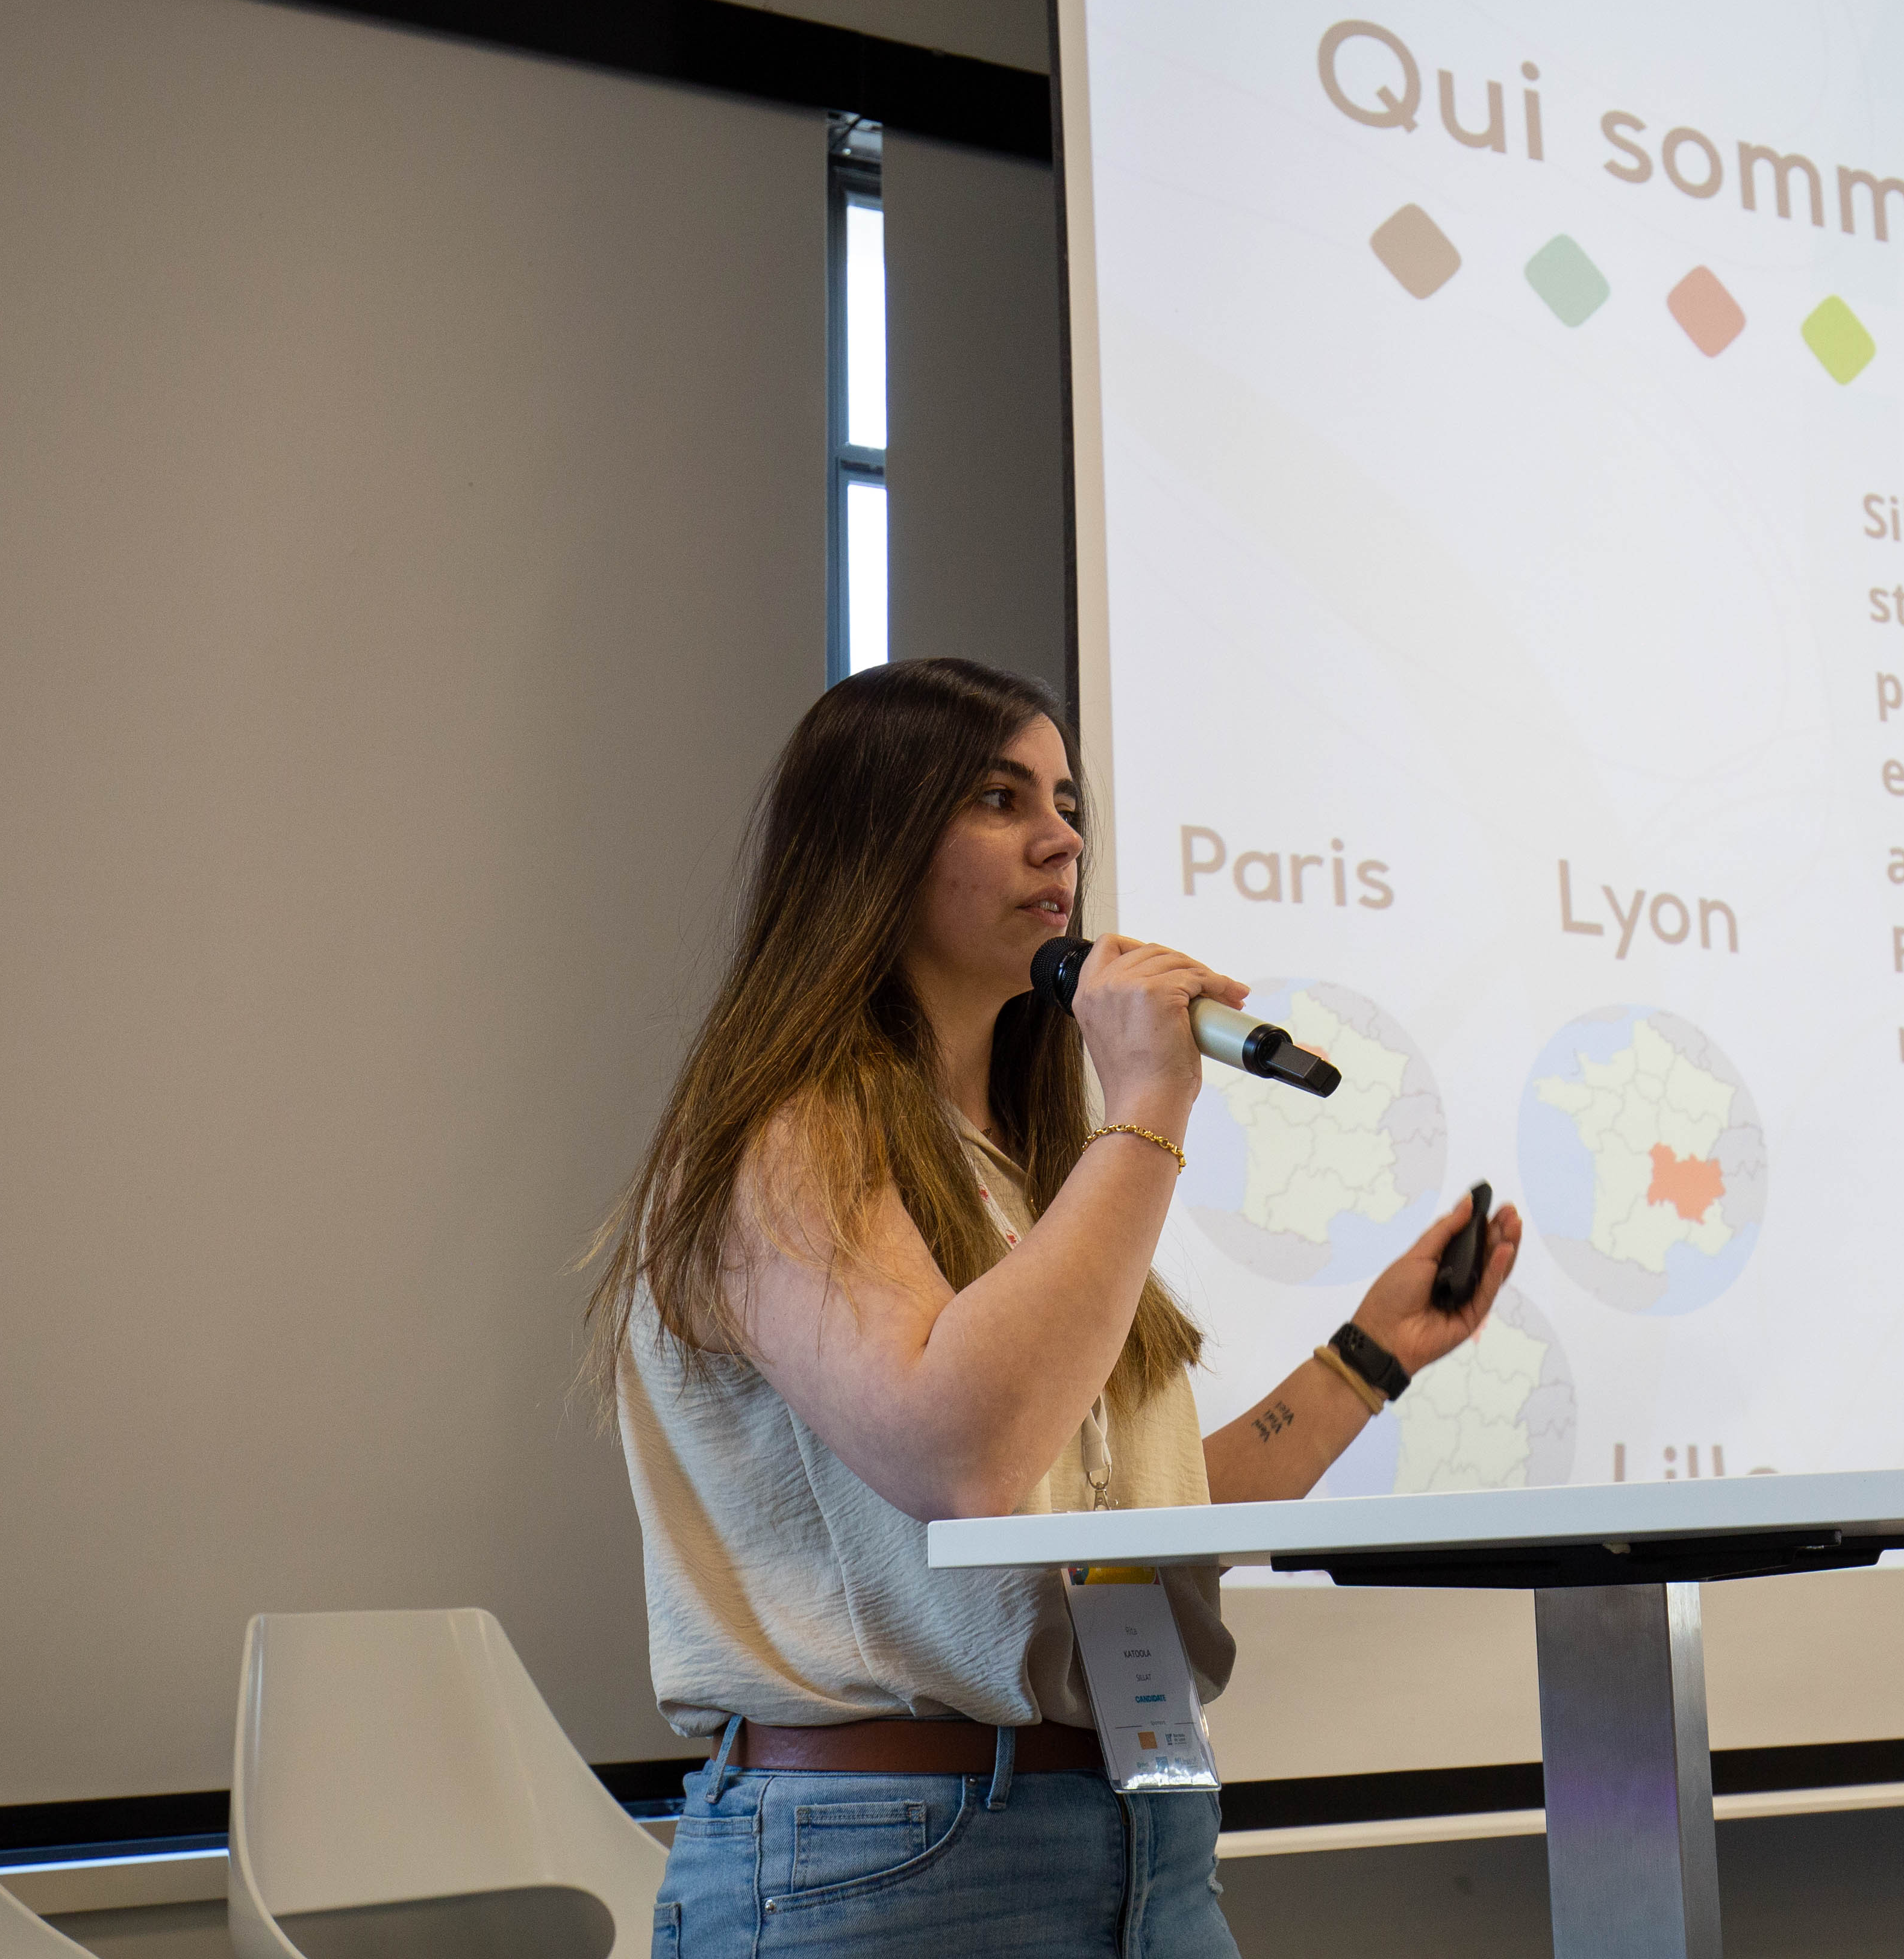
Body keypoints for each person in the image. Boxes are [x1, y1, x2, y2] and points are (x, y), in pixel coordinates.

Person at [585, 657, 1520, 1957]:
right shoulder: (783, 1135)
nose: (1062, 838)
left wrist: (1369, 1356)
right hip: (889, 1853)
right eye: (998, 797)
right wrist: (1151, 1101)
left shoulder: (1025, 1174)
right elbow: (962, 1459)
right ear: (871, 844)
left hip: (1144, 1831)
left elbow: (1120, 1526)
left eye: (1067, 803)